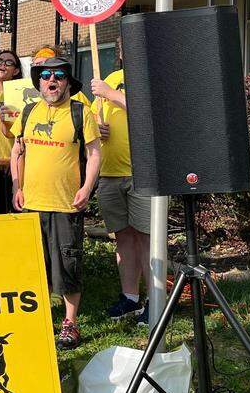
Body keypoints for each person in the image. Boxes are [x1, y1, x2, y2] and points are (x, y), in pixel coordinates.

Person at [11, 52, 101, 349]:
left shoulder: (80, 112)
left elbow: (94, 153)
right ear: (38, 82)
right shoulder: (28, 113)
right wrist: (16, 187)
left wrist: (87, 188)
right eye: (46, 76)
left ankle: (70, 323)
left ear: (67, 83)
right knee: (34, 266)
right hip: (32, 203)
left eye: (59, 76)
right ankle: (39, 319)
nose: (52, 81)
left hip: (65, 204)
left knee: (68, 264)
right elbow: (17, 151)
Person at [92, 66, 151, 323]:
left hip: (144, 174)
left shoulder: (152, 75)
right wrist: (97, 128)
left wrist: (111, 94)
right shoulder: (110, 79)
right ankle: (131, 298)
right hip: (110, 173)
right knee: (123, 238)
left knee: (148, 239)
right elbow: (94, 118)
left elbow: (151, 111)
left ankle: (156, 301)